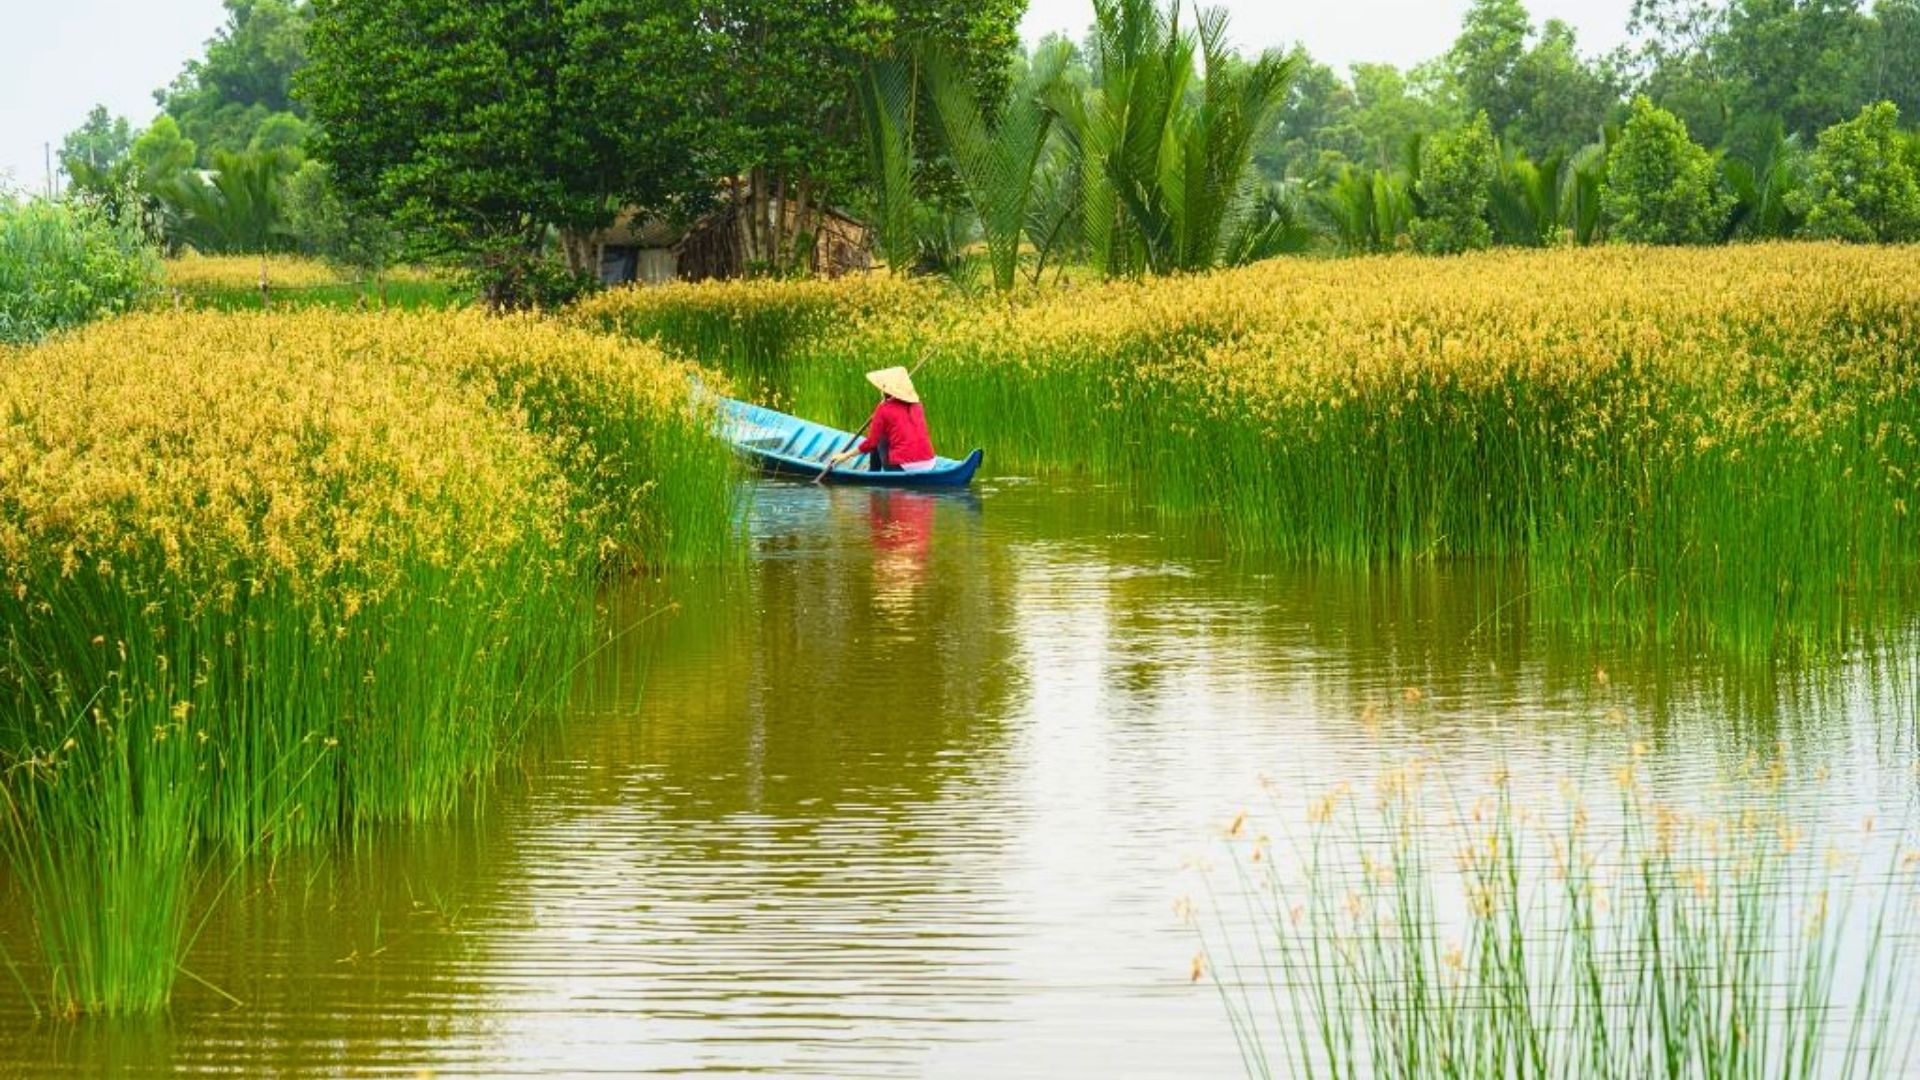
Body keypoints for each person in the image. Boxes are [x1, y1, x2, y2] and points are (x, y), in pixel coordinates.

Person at [827, 366, 937, 472]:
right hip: (929, 463)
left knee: (878, 437)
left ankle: (873, 472)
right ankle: (874, 472)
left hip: (902, 467)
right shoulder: (917, 405)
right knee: (884, 433)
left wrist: (844, 456)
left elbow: (871, 443)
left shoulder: (883, 409)